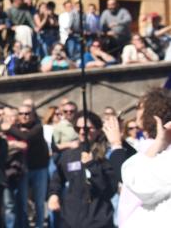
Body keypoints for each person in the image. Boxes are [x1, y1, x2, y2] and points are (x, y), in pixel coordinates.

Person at [48, 111, 118, 228]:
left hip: (98, 219)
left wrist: (92, 165)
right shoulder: (69, 155)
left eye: (86, 129)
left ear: (98, 130)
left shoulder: (106, 154)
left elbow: (109, 189)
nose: (81, 132)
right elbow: (57, 178)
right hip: (71, 219)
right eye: (77, 128)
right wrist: (53, 195)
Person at [118, 87, 171, 227]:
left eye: (140, 108)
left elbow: (137, 181)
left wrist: (116, 145)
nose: (137, 113)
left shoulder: (156, 149)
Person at [8, 104, 50, 228]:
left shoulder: (38, 127)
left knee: (39, 202)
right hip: (23, 170)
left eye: (27, 113)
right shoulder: (16, 128)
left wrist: (9, 128)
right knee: (22, 203)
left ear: (33, 115)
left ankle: (39, 226)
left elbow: (26, 137)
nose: (24, 116)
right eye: (21, 114)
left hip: (39, 168)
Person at [1, 108, 28, 228]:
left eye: (13, 116)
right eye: (9, 116)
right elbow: (0, 152)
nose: (12, 119)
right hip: (5, 174)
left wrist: (11, 145)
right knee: (9, 206)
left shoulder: (19, 132)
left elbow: (25, 146)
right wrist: (12, 146)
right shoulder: (0, 133)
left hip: (20, 173)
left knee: (22, 205)